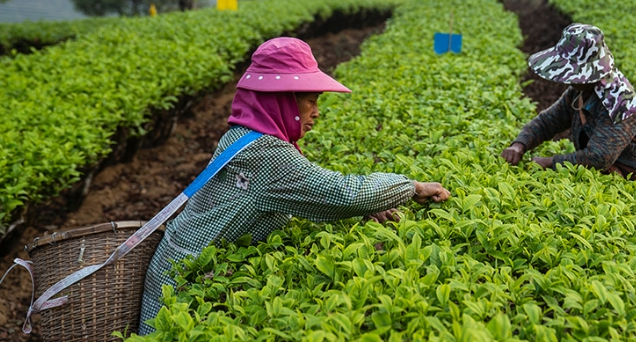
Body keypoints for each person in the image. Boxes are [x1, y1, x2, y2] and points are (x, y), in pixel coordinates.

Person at [138, 37, 450, 335]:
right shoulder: (265, 154)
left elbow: (296, 196)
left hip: (182, 267)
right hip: (181, 287)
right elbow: (343, 194)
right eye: (311, 101)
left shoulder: (244, 134)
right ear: (281, 101)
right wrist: (411, 187)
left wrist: (372, 206)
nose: (316, 112)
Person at [501, 23, 636, 177]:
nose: (568, 80)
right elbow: (548, 121)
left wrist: (549, 162)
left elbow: (598, 157)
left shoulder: (619, 101)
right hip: (605, 172)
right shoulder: (579, 91)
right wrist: (520, 145)